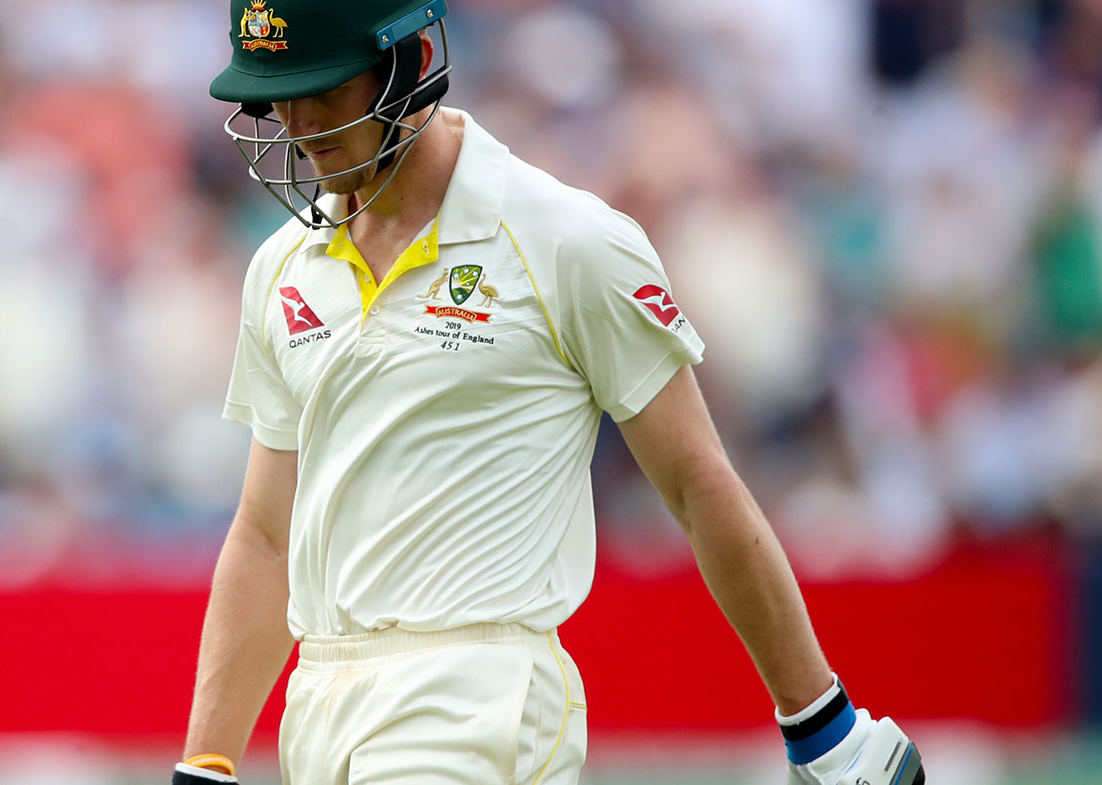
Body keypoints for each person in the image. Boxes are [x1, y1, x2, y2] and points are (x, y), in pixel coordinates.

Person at [176, 2, 926, 784]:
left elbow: (698, 482)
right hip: (320, 700)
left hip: (480, 696)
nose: (297, 126)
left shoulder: (564, 240)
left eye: (322, 90)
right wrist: (207, 758)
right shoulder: (283, 268)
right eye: (275, 100)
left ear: (412, 57)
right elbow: (266, 534)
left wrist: (821, 724)